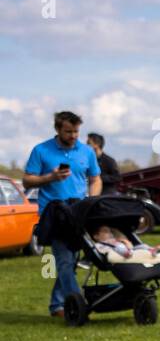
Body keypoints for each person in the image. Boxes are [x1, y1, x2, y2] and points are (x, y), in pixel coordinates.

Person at [24, 110, 102, 318]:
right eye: (68, 131)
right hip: (54, 213)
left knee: (70, 261)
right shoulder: (41, 150)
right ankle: (77, 306)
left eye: (76, 131)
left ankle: (57, 305)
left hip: (79, 212)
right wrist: (51, 177)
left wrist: (91, 200)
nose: (73, 136)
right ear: (58, 129)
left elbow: (95, 179)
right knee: (65, 260)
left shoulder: (86, 152)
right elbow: (27, 180)